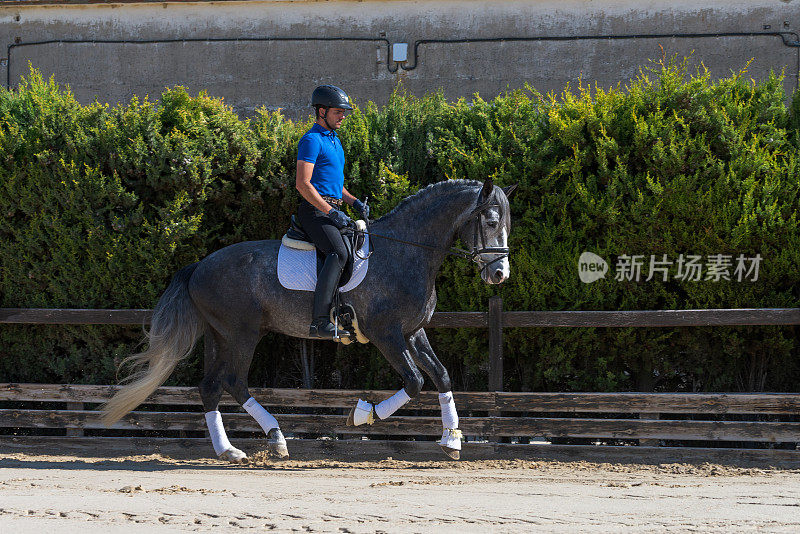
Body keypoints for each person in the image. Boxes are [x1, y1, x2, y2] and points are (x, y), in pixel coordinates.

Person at [295, 85, 369, 339]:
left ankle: (344, 311)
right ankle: (319, 322)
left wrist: (355, 202)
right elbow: (303, 184)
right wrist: (331, 212)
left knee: (357, 248)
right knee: (337, 252)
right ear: (322, 111)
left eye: (343, 112)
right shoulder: (311, 140)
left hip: (333, 209)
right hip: (314, 211)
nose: (343, 116)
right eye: (338, 112)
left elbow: (335, 185)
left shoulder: (335, 141)